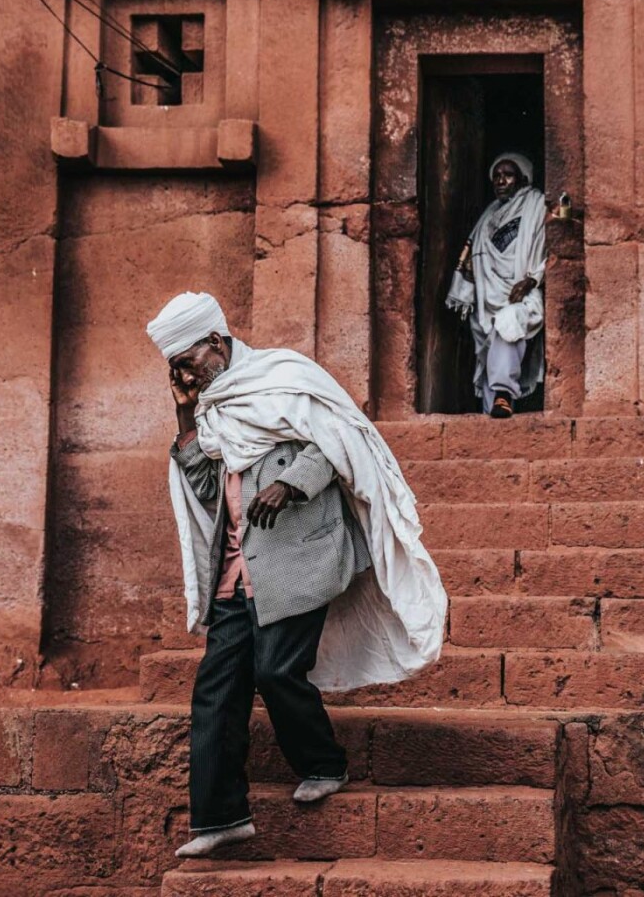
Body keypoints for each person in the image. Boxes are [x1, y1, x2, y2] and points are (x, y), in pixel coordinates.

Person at [146, 292, 447, 859]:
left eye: (188, 361)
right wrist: (186, 413)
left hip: (301, 558)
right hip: (236, 571)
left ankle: (324, 763)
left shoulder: (284, 378)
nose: (184, 373)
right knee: (215, 688)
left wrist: (292, 484)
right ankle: (218, 817)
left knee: (277, 670)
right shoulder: (213, 411)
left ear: (216, 341)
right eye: (174, 369)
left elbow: (337, 442)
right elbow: (208, 491)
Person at [445, 152, 547, 417]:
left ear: (523, 178)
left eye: (508, 175)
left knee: (509, 322)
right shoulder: (488, 216)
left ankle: (504, 395)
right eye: (497, 176)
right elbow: (472, 256)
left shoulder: (535, 204)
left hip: (522, 293)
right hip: (487, 296)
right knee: (489, 349)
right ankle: (493, 413)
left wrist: (532, 279)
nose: (501, 181)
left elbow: (548, 246)